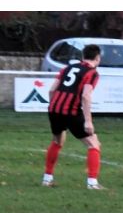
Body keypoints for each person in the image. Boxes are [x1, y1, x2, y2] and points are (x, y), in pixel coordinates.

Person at [42, 43, 104, 189]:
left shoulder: (67, 68)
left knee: (57, 141)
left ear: (83, 56)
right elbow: (86, 96)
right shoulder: (92, 73)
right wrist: (88, 121)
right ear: (97, 58)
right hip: (71, 111)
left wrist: (55, 107)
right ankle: (92, 183)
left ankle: (47, 179)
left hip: (54, 109)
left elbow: (52, 90)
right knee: (93, 143)